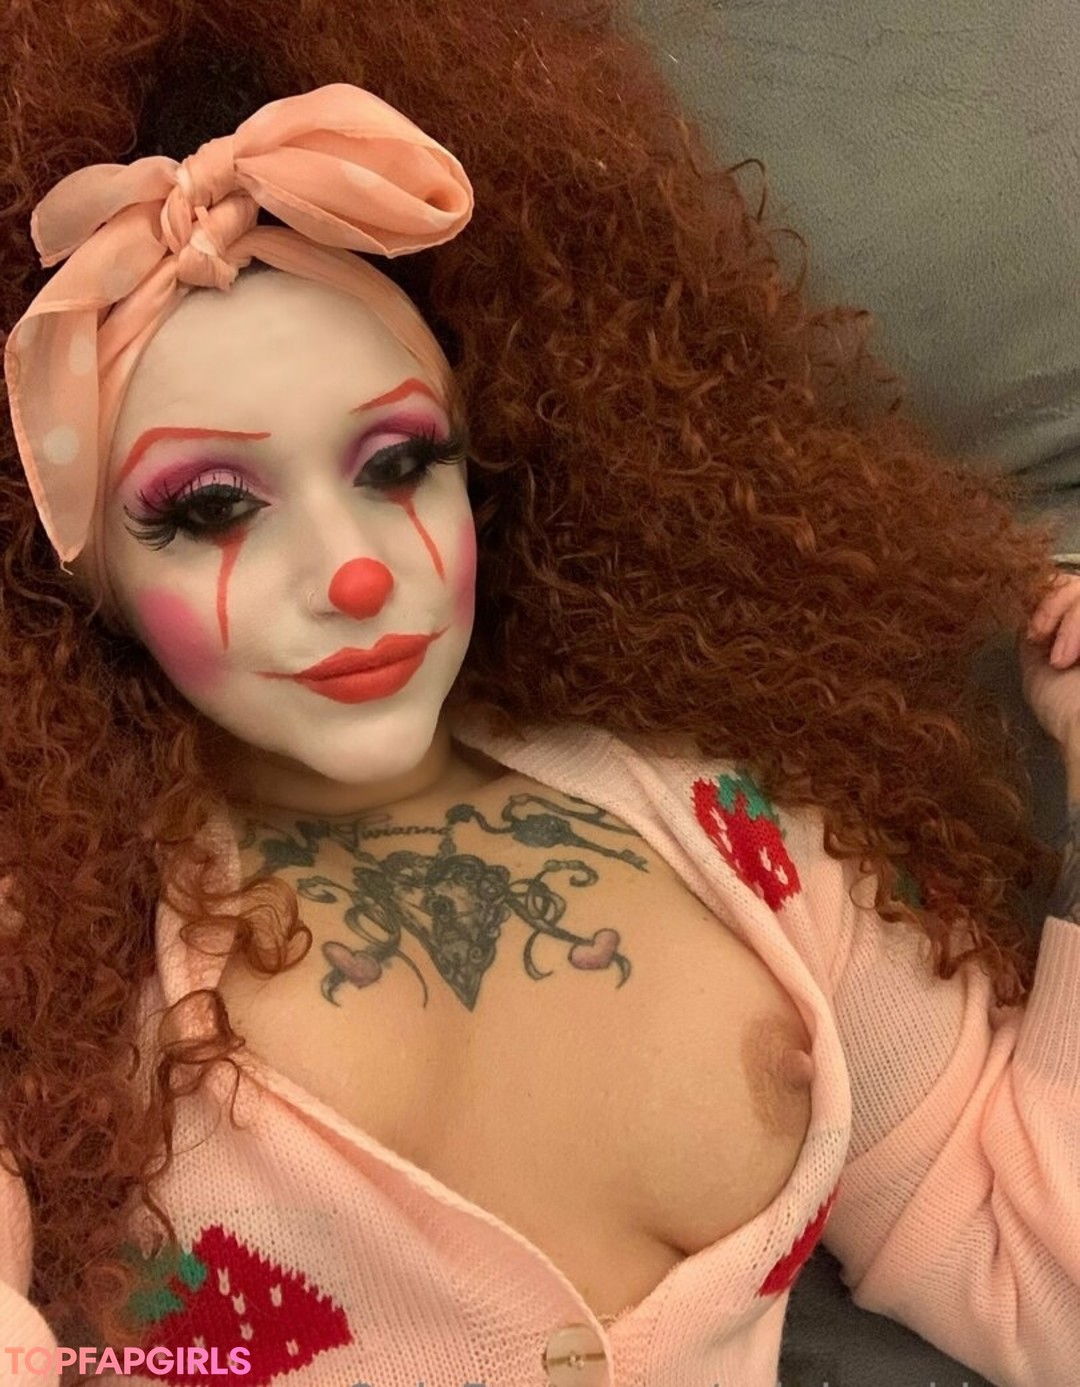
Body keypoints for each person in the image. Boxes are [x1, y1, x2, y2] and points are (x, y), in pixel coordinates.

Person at [0, 3, 1076, 1385]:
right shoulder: (46, 948)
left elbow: (1040, 1274)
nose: (357, 574)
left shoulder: (752, 838)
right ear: (79, 582)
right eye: (212, 507)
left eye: (399, 464)